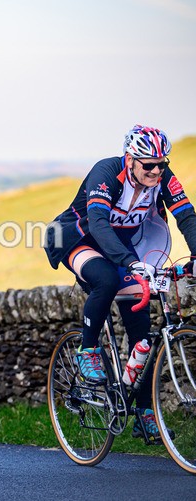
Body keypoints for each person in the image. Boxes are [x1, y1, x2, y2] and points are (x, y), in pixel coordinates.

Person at [44, 125, 196, 443]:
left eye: (162, 163)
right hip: (77, 236)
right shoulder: (108, 171)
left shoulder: (162, 178)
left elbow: (187, 216)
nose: (157, 170)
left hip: (123, 246)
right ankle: (88, 349)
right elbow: (98, 222)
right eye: (148, 164)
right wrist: (128, 261)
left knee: (142, 332)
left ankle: (144, 412)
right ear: (130, 160)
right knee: (107, 279)